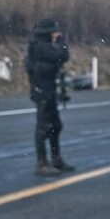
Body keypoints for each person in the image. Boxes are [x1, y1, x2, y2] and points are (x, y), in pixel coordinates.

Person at [25, 18, 75, 177]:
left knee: (55, 125)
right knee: (43, 127)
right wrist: (61, 40)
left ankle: (55, 159)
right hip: (43, 91)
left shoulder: (39, 47)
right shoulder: (40, 48)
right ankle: (42, 163)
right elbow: (63, 55)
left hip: (47, 90)